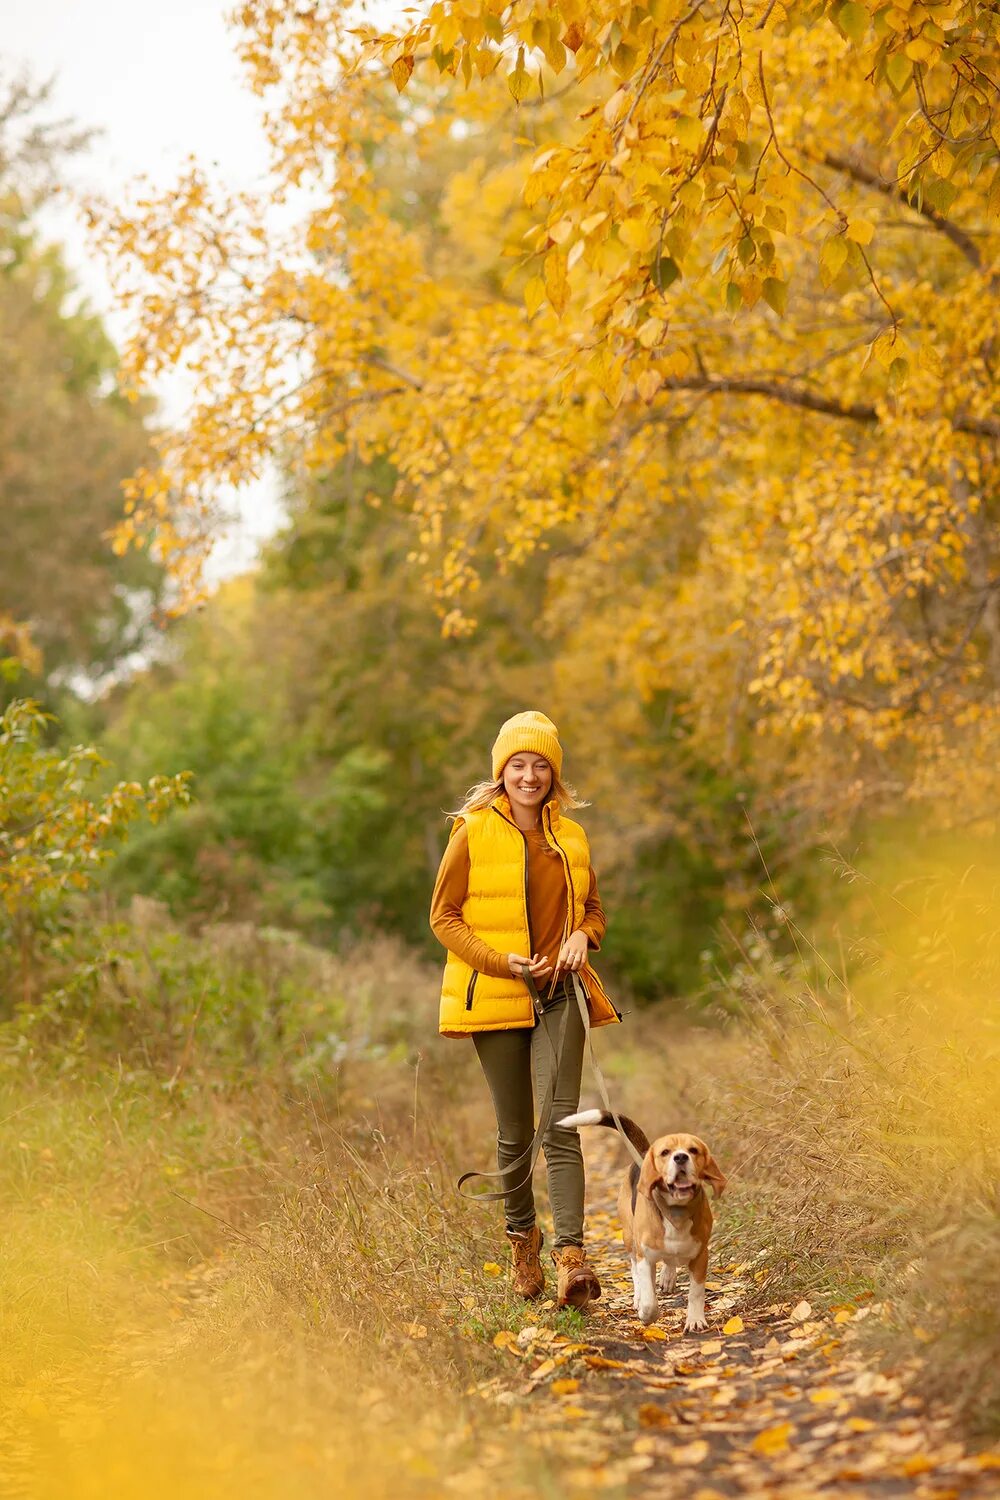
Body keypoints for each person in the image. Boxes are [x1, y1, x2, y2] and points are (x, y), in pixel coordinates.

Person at [429, 710, 620, 1307]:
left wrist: (580, 939)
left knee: (559, 1125)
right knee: (514, 1133)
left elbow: (595, 911)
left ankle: (573, 1260)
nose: (530, 775)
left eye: (541, 765)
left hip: (562, 991)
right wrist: (499, 960)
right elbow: (443, 918)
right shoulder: (471, 832)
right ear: (501, 771)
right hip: (497, 991)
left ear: (553, 773)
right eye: (519, 764)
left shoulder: (573, 837)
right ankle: (522, 1241)